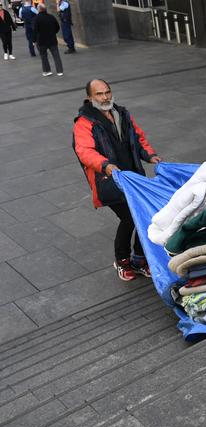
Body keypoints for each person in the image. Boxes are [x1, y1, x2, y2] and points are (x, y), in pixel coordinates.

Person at [73, 79, 162, 281]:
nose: (105, 97)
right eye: (99, 94)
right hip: (109, 180)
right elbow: (84, 151)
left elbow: (138, 138)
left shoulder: (121, 113)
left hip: (133, 177)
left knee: (145, 216)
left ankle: (140, 259)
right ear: (90, 97)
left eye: (107, 92)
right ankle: (122, 260)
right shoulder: (84, 122)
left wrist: (149, 155)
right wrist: (104, 164)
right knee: (130, 218)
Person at [32, 2, 63, 76]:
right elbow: (57, 27)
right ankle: (60, 71)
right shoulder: (51, 17)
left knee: (43, 56)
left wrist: (34, 40)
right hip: (52, 39)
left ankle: (47, 71)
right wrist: (53, 33)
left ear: (39, 9)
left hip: (41, 41)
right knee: (56, 55)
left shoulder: (36, 19)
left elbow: (34, 31)